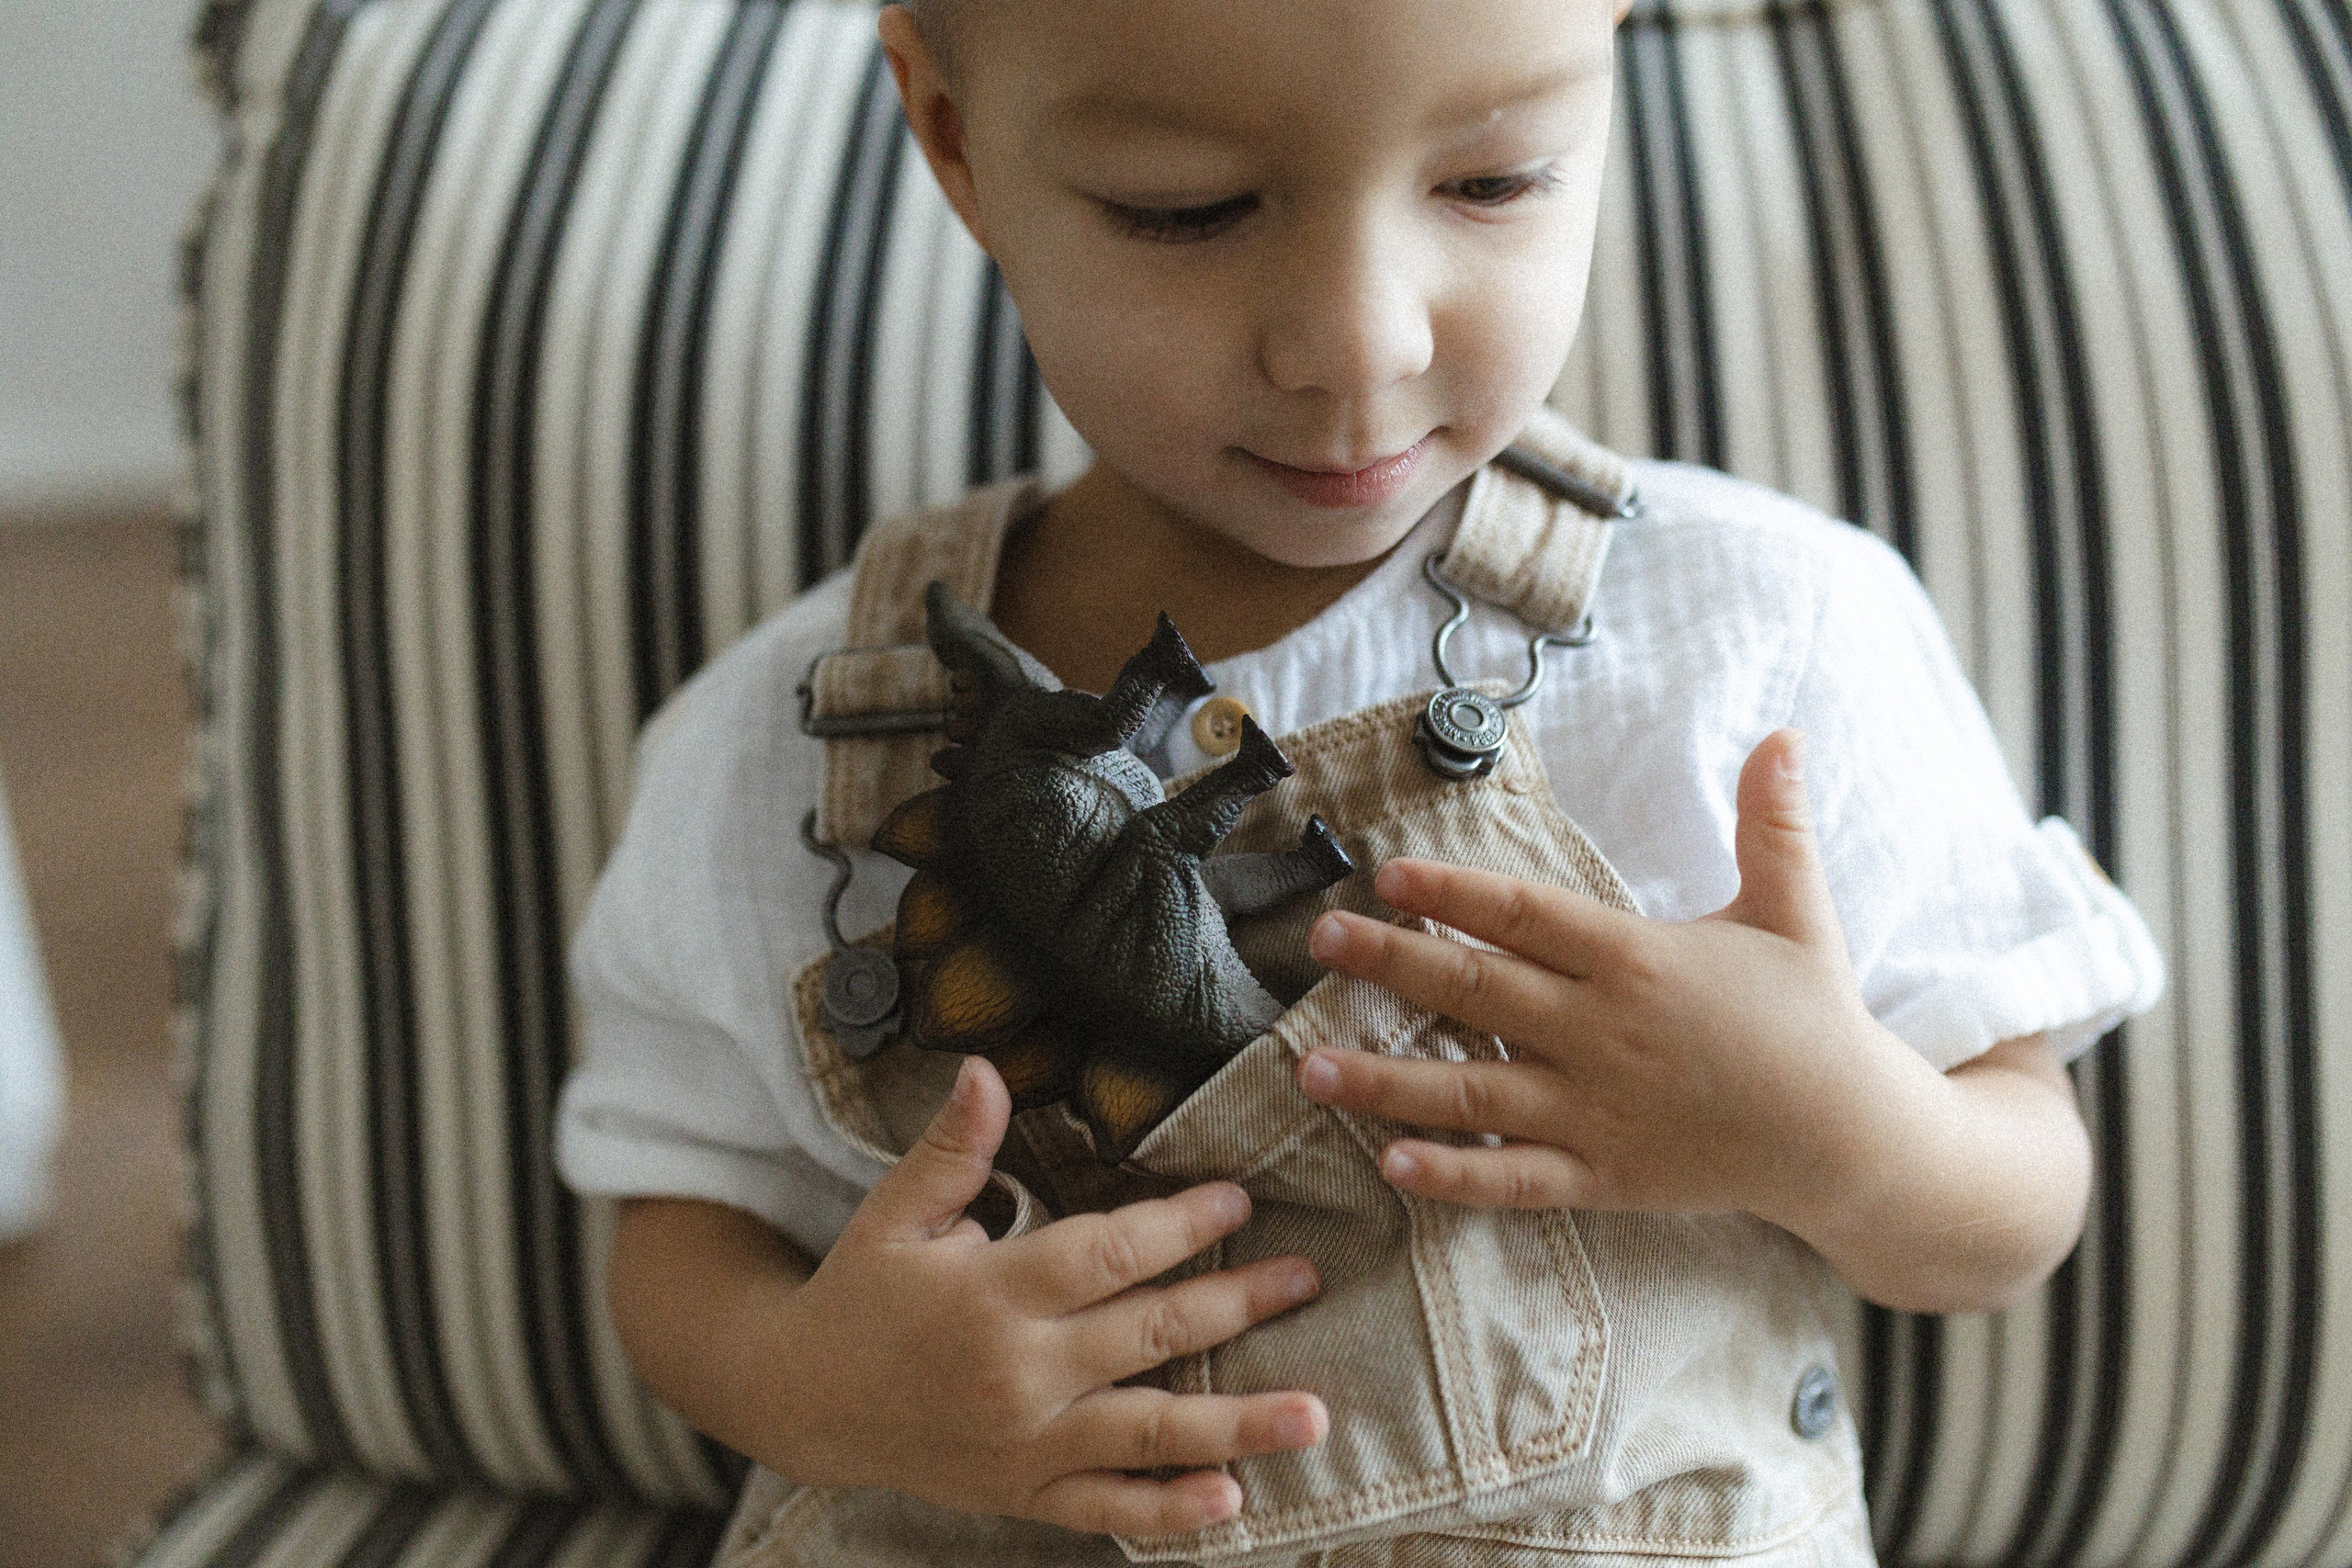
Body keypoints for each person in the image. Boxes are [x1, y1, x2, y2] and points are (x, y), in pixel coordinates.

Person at [555, 0, 2165, 1562]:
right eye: (1185, 209)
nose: (1357, 343)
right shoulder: (787, 740)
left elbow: (2015, 1197)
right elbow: (678, 1222)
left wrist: (1838, 1135)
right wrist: (819, 1389)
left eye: (1492, 180)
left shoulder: (1756, 636)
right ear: (953, 134)